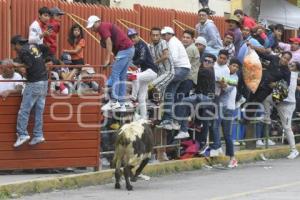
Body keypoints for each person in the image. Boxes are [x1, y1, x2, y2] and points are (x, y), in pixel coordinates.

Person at [86, 15, 134, 111]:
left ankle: (114, 101)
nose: (92, 29)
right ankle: (121, 103)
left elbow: (108, 42)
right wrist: (115, 58)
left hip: (125, 49)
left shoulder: (102, 27)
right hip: (129, 49)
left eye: (92, 26)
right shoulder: (106, 27)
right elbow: (113, 44)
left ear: (98, 22)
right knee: (121, 76)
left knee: (115, 73)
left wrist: (107, 59)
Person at [11, 35, 49, 148]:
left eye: (13, 46)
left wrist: (16, 65)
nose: (14, 49)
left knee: (24, 110)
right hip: (44, 81)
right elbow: (46, 50)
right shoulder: (33, 45)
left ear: (17, 44)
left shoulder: (23, 51)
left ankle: (22, 134)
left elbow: (29, 65)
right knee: (38, 110)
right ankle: (38, 134)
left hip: (34, 83)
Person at [261, 62, 300, 159]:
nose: (289, 66)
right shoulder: (286, 73)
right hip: (279, 100)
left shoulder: (293, 75)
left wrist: (275, 84)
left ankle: (294, 150)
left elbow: (284, 86)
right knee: (266, 99)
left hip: (287, 104)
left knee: (287, 127)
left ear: (296, 69)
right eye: (289, 65)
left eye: (292, 66)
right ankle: (267, 118)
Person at [175, 54, 216, 140]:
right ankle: (184, 128)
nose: (207, 63)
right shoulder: (206, 71)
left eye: (210, 62)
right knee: (186, 104)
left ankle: (180, 126)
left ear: (213, 64)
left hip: (205, 98)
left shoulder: (207, 71)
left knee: (183, 101)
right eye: (205, 60)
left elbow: (195, 72)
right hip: (204, 98)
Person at [157, 27, 191, 130]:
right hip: (183, 70)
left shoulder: (172, 42)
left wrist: (161, 65)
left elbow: (174, 58)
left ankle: (168, 118)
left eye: (163, 35)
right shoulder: (174, 41)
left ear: (169, 34)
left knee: (164, 87)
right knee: (170, 92)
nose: (162, 37)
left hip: (180, 69)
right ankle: (169, 119)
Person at [211, 58, 240, 168]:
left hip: (226, 107)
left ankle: (219, 147)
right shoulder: (224, 73)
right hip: (225, 106)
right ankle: (231, 158)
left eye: (237, 67)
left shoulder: (235, 78)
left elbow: (226, 89)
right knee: (223, 131)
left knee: (217, 127)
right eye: (233, 66)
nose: (235, 68)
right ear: (229, 65)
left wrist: (222, 82)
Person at [127, 28, 158, 119]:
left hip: (151, 71)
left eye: (134, 36)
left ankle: (133, 98)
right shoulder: (135, 47)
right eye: (130, 37)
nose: (132, 39)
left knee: (134, 77)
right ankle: (144, 118)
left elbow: (142, 59)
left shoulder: (142, 45)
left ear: (138, 36)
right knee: (142, 98)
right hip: (146, 72)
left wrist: (131, 62)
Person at [148, 27, 175, 97]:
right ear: (150, 36)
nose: (155, 37)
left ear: (160, 36)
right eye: (153, 35)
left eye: (157, 35)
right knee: (159, 94)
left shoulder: (163, 42)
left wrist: (154, 62)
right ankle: (157, 105)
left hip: (168, 72)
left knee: (152, 86)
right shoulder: (149, 46)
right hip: (159, 73)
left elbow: (166, 55)